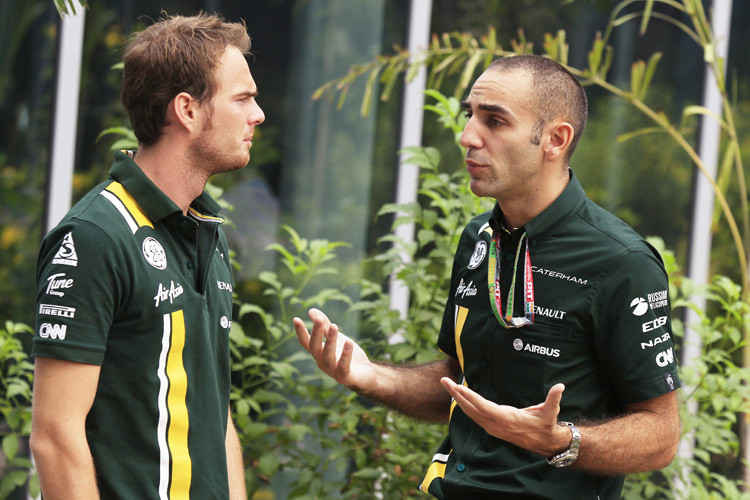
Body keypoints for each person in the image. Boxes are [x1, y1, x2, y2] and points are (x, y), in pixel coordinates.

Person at [294, 55, 680, 499]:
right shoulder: (479, 237)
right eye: (469, 115)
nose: (467, 137)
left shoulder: (621, 261)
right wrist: (368, 376)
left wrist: (561, 441)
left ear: (555, 139)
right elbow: (461, 383)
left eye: (495, 121)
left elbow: (661, 434)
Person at [29, 13, 264, 499]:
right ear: (187, 110)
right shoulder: (95, 235)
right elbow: (54, 435)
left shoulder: (207, 231)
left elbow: (214, 412)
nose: (257, 114)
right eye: (242, 98)